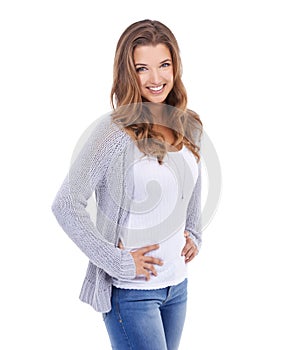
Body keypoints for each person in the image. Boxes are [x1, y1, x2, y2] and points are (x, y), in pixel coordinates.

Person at [52, 19, 203, 350]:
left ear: (175, 66)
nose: (156, 78)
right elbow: (65, 204)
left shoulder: (188, 124)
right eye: (142, 68)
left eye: (164, 65)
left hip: (176, 287)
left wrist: (194, 230)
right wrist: (117, 261)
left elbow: (192, 178)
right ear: (127, 73)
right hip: (131, 293)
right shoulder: (113, 132)